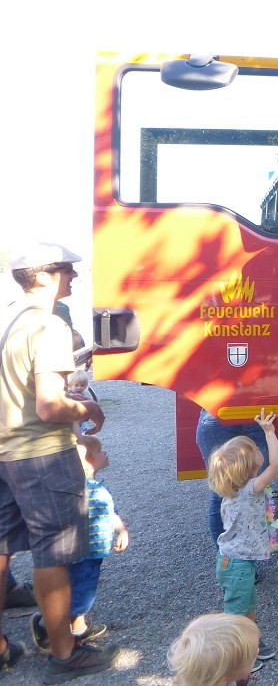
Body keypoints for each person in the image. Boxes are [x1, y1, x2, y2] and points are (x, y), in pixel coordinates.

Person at [0, 242, 118, 679]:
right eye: (67, 270)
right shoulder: (48, 327)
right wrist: (87, 408)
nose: (73, 277)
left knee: (2, 547)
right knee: (54, 551)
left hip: (6, 452)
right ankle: (64, 653)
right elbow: (49, 406)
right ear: (44, 276)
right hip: (42, 456)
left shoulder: (11, 321)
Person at [31, 435, 128, 651]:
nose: (106, 454)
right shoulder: (81, 489)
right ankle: (49, 625)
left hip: (90, 552)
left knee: (77, 587)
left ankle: (78, 627)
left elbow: (111, 512)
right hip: (83, 553)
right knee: (83, 594)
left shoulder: (96, 488)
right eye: (101, 452)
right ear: (88, 462)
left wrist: (121, 530)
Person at [208, 409, 278, 665]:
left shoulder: (231, 490)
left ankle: (251, 644)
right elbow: (277, 465)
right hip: (237, 563)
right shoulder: (251, 489)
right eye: (254, 450)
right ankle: (232, 657)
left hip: (236, 562)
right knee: (236, 614)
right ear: (251, 466)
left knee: (247, 605)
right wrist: (269, 432)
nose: (258, 449)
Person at [195, 409, 270, 543]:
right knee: (222, 492)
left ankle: (242, 552)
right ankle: (226, 554)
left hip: (256, 416)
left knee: (255, 488)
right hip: (221, 416)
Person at [168, 613, 261, 686]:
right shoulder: (236, 679)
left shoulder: (226, 677)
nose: (258, 651)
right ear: (224, 674)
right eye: (252, 656)